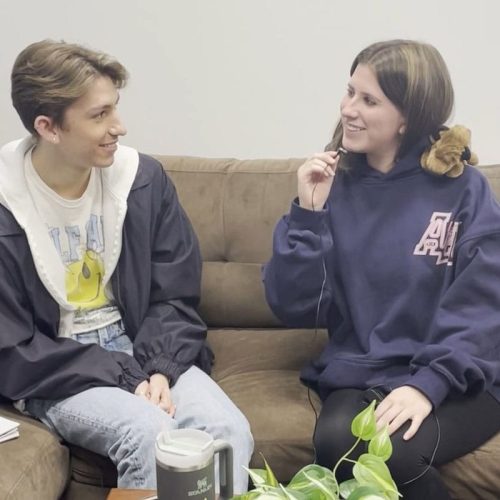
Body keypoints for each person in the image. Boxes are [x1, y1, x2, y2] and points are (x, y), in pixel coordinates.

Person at [0, 39, 253, 493]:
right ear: (49, 127)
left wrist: (158, 366)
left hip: (141, 347)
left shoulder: (144, 182)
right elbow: (12, 349)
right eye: (99, 116)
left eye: (114, 108)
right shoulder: (4, 206)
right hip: (58, 368)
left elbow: (174, 294)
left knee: (228, 434)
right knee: (149, 436)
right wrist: (123, 374)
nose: (120, 126)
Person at [263, 39, 500, 499]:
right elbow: (293, 306)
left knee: (395, 453)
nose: (348, 109)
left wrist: (428, 384)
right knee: (337, 444)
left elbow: (482, 308)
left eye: (368, 100)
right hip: (364, 371)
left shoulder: (464, 190)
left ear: (408, 116)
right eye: (349, 92)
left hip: (464, 376)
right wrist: (308, 216)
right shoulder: (335, 186)